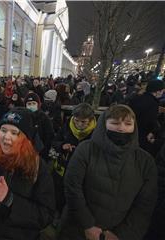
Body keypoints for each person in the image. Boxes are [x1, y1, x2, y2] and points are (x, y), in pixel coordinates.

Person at [59, 104, 158, 240]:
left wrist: (121, 235)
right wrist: (88, 225)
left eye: (128, 124)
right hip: (77, 229)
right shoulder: (86, 150)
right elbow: (72, 187)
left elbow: (145, 206)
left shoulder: (145, 161)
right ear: (104, 124)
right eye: (115, 123)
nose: (121, 128)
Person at [0, 107, 55, 240]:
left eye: (14, 133)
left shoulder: (38, 167)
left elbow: (45, 214)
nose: (6, 137)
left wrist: (10, 200)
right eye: (3, 130)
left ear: (26, 138)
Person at [52, 103, 96, 226]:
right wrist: (62, 146)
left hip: (83, 172)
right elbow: (55, 141)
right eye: (77, 121)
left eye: (83, 122)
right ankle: (58, 213)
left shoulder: (96, 133)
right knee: (59, 192)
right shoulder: (67, 126)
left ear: (91, 120)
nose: (79, 125)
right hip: (63, 168)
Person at [129, 80, 164, 157]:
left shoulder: (136, 98)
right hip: (142, 136)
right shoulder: (153, 103)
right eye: (162, 91)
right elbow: (150, 121)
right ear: (157, 91)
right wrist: (153, 131)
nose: (162, 93)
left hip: (129, 131)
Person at [24, 92, 54, 162]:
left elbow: (49, 135)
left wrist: (44, 151)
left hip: (41, 153)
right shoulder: (24, 117)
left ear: (38, 104)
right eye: (29, 104)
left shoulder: (44, 117)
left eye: (34, 103)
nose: (31, 106)